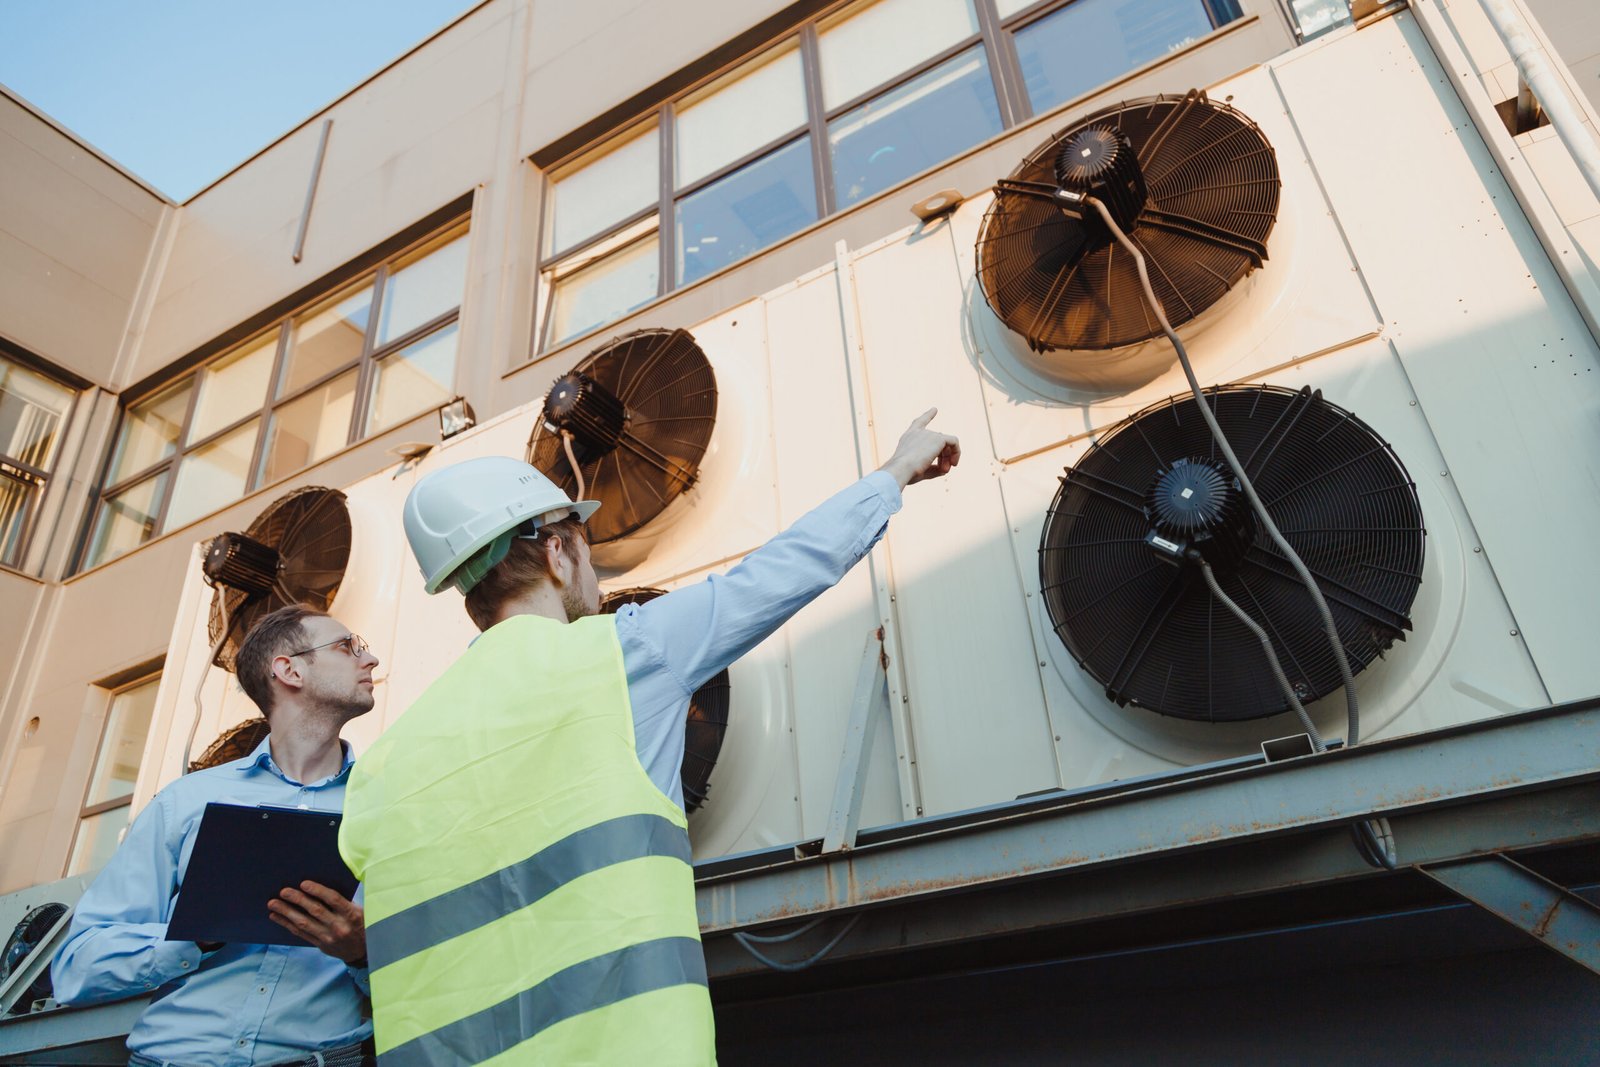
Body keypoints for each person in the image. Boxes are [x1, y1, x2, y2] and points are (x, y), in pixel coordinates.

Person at [339, 408, 960, 1065]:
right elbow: (779, 573)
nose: (594, 572)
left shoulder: (384, 765)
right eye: (585, 545)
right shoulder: (624, 655)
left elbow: (382, 945)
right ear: (555, 551)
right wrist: (897, 471)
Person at [52, 605, 380, 1067]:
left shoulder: (389, 807)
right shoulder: (186, 801)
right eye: (348, 647)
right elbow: (76, 968)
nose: (371, 661)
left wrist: (362, 952)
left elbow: (438, 972)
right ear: (289, 670)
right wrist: (194, 937)